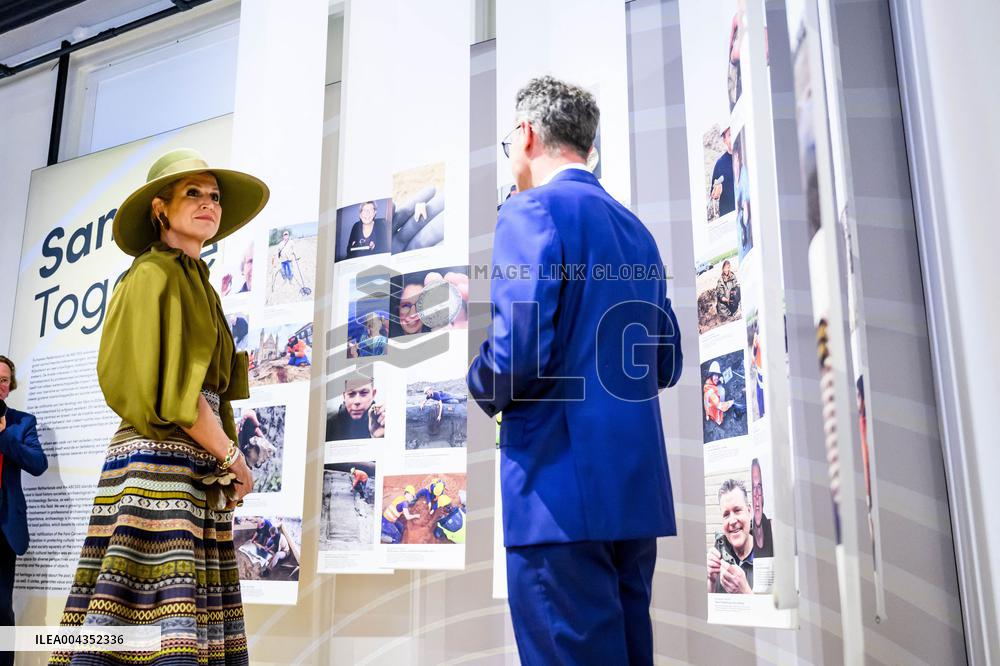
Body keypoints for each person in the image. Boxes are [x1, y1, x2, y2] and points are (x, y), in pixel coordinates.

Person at [467, 77, 682, 664]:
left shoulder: (528, 211)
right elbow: (666, 362)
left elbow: (517, 352)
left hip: (557, 497)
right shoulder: (636, 230)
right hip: (633, 502)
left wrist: (476, 383)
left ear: (528, 134)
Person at [51, 148, 264, 666]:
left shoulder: (202, 285)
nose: (209, 204)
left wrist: (221, 459)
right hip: (159, 468)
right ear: (160, 208)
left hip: (192, 464)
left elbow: (213, 392)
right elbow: (181, 396)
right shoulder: (152, 275)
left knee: (179, 623)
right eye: (193, 192)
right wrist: (233, 458)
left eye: (214, 196)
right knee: (147, 627)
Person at [0, 356, 48, 664]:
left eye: (4, 380)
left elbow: (38, 464)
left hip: (3, 527)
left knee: (1, 607)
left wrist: (4, 436)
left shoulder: (21, 422)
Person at [707, 479, 755, 594]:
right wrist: (711, 580)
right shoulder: (719, 550)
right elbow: (706, 609)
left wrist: (745, 592)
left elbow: (775, 611)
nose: (732, 521)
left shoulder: (767, 554)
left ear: (749, 511)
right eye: (726, 514)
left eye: (737, 510)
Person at [325, 377, 385, 441]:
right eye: (351, 394)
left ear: (373, 394)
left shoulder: (383, 421)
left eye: (364, 393)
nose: (357, 401)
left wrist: (378, 438)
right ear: (344, 396)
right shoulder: (328, 423)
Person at [703, 360, 743, 427]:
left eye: (717, 376)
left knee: (721, 388)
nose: (717, 378)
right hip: (714, 417)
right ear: (711, 375)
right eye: (715, 375)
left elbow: (723, 377)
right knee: (721, 390)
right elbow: (720, 406)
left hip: (712, 408)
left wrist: (733, 367)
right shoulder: (709, 390)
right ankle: (719, 418)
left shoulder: (709, 383)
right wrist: (732, 402)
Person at [710, 125, 735, 217]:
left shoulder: (747, 157)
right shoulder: (720, 164)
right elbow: (713, 196)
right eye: (730, 134)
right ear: (724, 140)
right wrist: (716, 194)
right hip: (728, 218)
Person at [750, 458, 773, 558]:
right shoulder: (746, 532)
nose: (756, 495)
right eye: (753, 488)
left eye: (759, 487)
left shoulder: (773, 529)